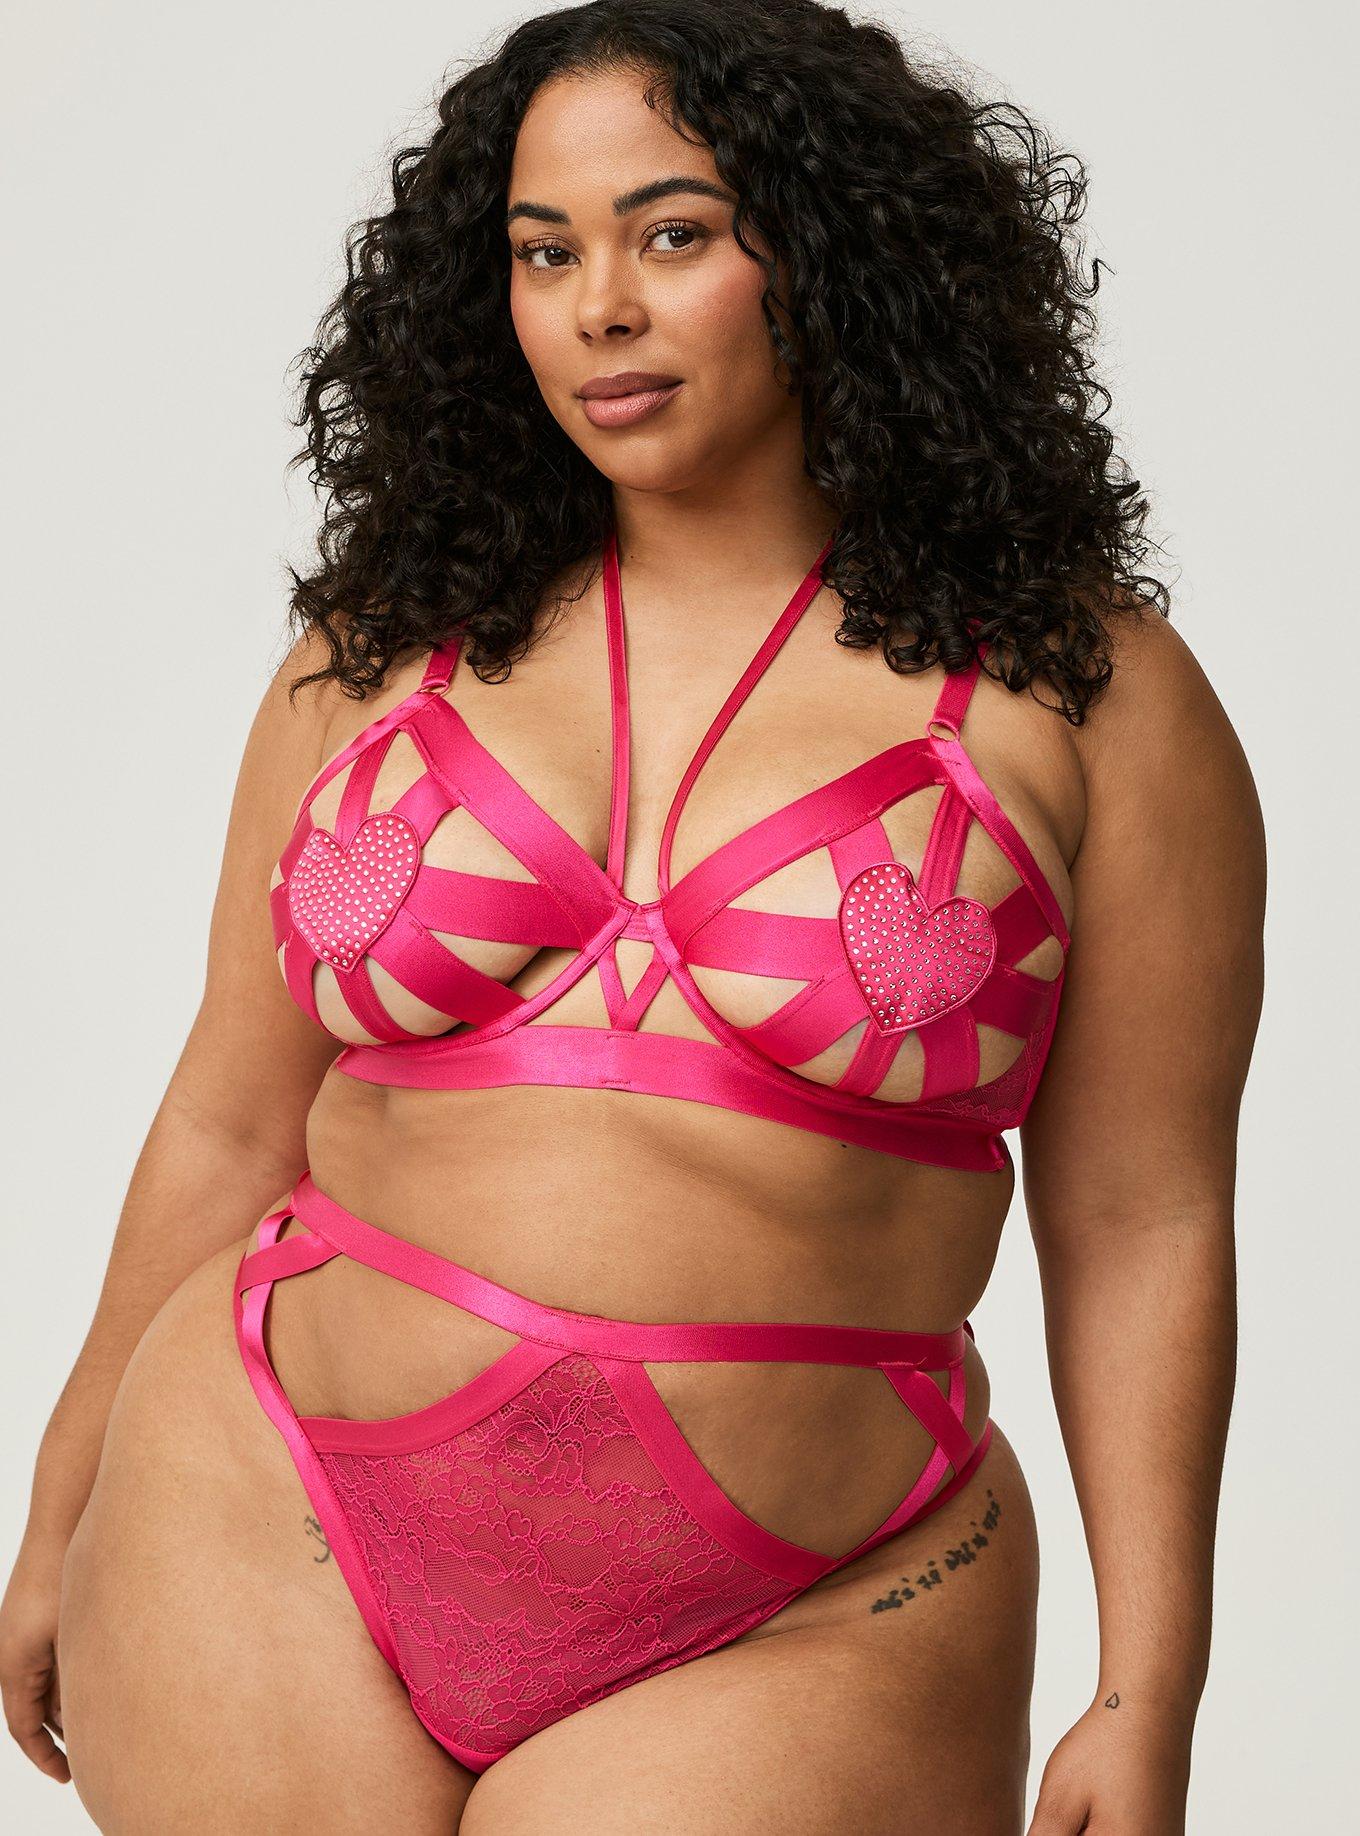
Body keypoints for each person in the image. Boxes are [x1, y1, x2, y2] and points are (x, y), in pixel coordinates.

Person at [1, 3, 1265, 1830]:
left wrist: (1151, 1688)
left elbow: (1143, 1215)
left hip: (810, 1606)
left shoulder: (1087, 695)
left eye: (673, 235)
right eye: (545, 253)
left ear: (829, 253)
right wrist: (57, 1502)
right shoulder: (381, 651)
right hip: (267, 1499)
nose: (600, 306)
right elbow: (226, 1112)